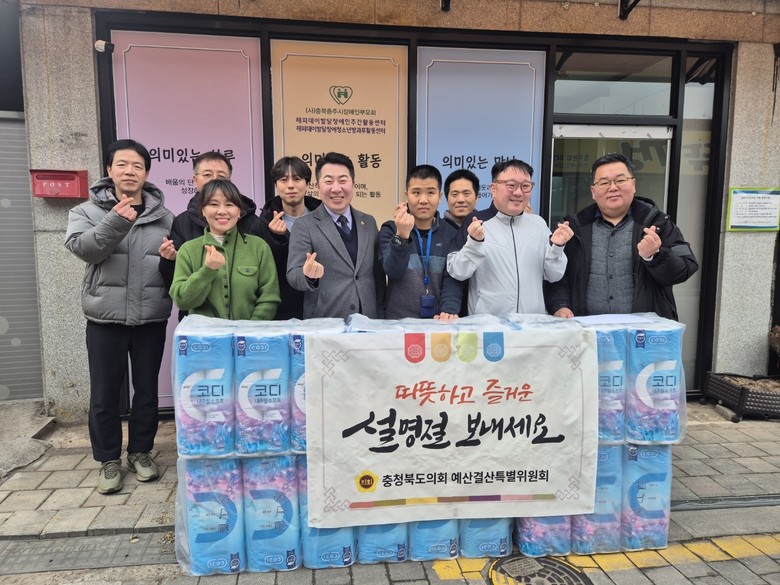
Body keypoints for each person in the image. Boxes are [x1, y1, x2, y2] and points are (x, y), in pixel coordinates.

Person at [64, 139, 173, 494]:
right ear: (109, 170)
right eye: (122, 164)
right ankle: (108, 459)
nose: (130, 171)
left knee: (147, 392)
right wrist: (114, 221)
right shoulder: (86, 212)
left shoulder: (165, 217)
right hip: (104, 319)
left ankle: (140, 452)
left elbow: (172, 267)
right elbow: (84, 250)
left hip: (150, 318)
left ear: (147, 173)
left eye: (137, 166)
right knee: (105, 393)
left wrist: (172, 260)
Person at [544, 152, 698, 320]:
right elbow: (555, 276)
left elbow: (685, 268)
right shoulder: (574, 228)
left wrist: (655, 255)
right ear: (593, 191)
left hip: (644, 330)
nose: (613, 188)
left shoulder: (658, 224)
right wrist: (559, 305)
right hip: (588, 329)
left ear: (633, 184)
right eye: (604, 182)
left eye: (620, 180)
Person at [447, 159, 573, 315]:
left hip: (532, 323)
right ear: (493, 189)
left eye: (525, 186)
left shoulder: (538, 224)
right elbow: (457, 271)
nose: (518, 193)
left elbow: (554, 276)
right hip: (489, 324)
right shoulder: (475, 223)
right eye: (511, 185)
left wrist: (557, 248)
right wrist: (474, 243)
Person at [158, 151, 264, 311]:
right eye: (207, 174)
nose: (214, 180)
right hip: (196, 319)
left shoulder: (251, 221)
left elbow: (267, 288)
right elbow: (176, 287)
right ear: (195, 180)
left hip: (246, 321)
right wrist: (169, 260)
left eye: (221, 176)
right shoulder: (182, 222)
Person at [286, 152, 385, 320]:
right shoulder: (304, 225)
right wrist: (308, 275)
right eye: (329, 181)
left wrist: (380, 316)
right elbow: (293, 274)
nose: (336, 188)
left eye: (343, 180)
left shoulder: (368, 222)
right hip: (325, 322)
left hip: (368, 321)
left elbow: (378, 276)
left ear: (353, 183)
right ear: (318, 185)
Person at [169, 179, 280, 320]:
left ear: (239, 211)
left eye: (229, 204)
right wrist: (207, 271)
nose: (222, 211)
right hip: (204, 334)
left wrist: (250, 328)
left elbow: (269, 297)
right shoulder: (188, 250)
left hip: (249, 332)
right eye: (214, 204)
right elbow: (182, 301)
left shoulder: (259, 247)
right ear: (203, 211)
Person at [378, 164, 462, 319]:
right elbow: (393, 271)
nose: (423, 200)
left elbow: (452, 278)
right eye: (416, 192)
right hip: (398, 323)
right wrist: (402, 235)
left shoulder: (451, 233)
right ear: (407, 195)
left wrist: (449, 310)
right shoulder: (390, 230)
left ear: (440, 196)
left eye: (430, 192)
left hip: (438, 322)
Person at [259, 156, 322, 320]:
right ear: (276, 185)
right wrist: (276, 239)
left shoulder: (324, 218)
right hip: (281, 309)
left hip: (321, 305)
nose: (290, 185)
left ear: (307, 184)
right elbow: (263, 272)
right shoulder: (262, 223)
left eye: (297, 179)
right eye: (283, 180)